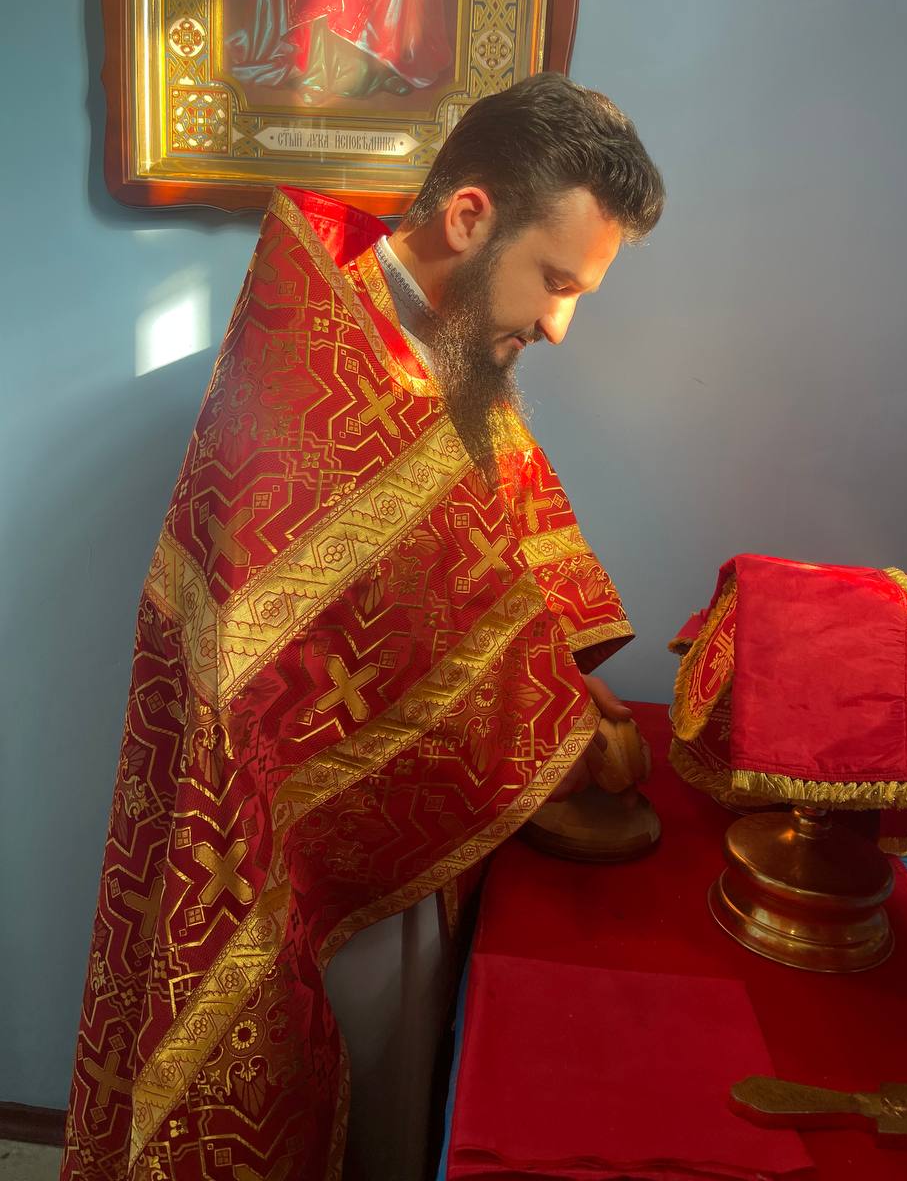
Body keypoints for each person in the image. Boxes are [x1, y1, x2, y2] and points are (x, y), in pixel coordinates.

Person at [61, 72, 665, 1181]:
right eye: (554, 281)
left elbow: (483, 578)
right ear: (470, 216)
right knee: (354, 1099)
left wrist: (551, 684)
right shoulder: (307, 368)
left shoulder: (453, 348)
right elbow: (298, 667)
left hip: (425, 839)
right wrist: (544, 718)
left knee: (410, 1100)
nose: (559, 324)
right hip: (304, 861)